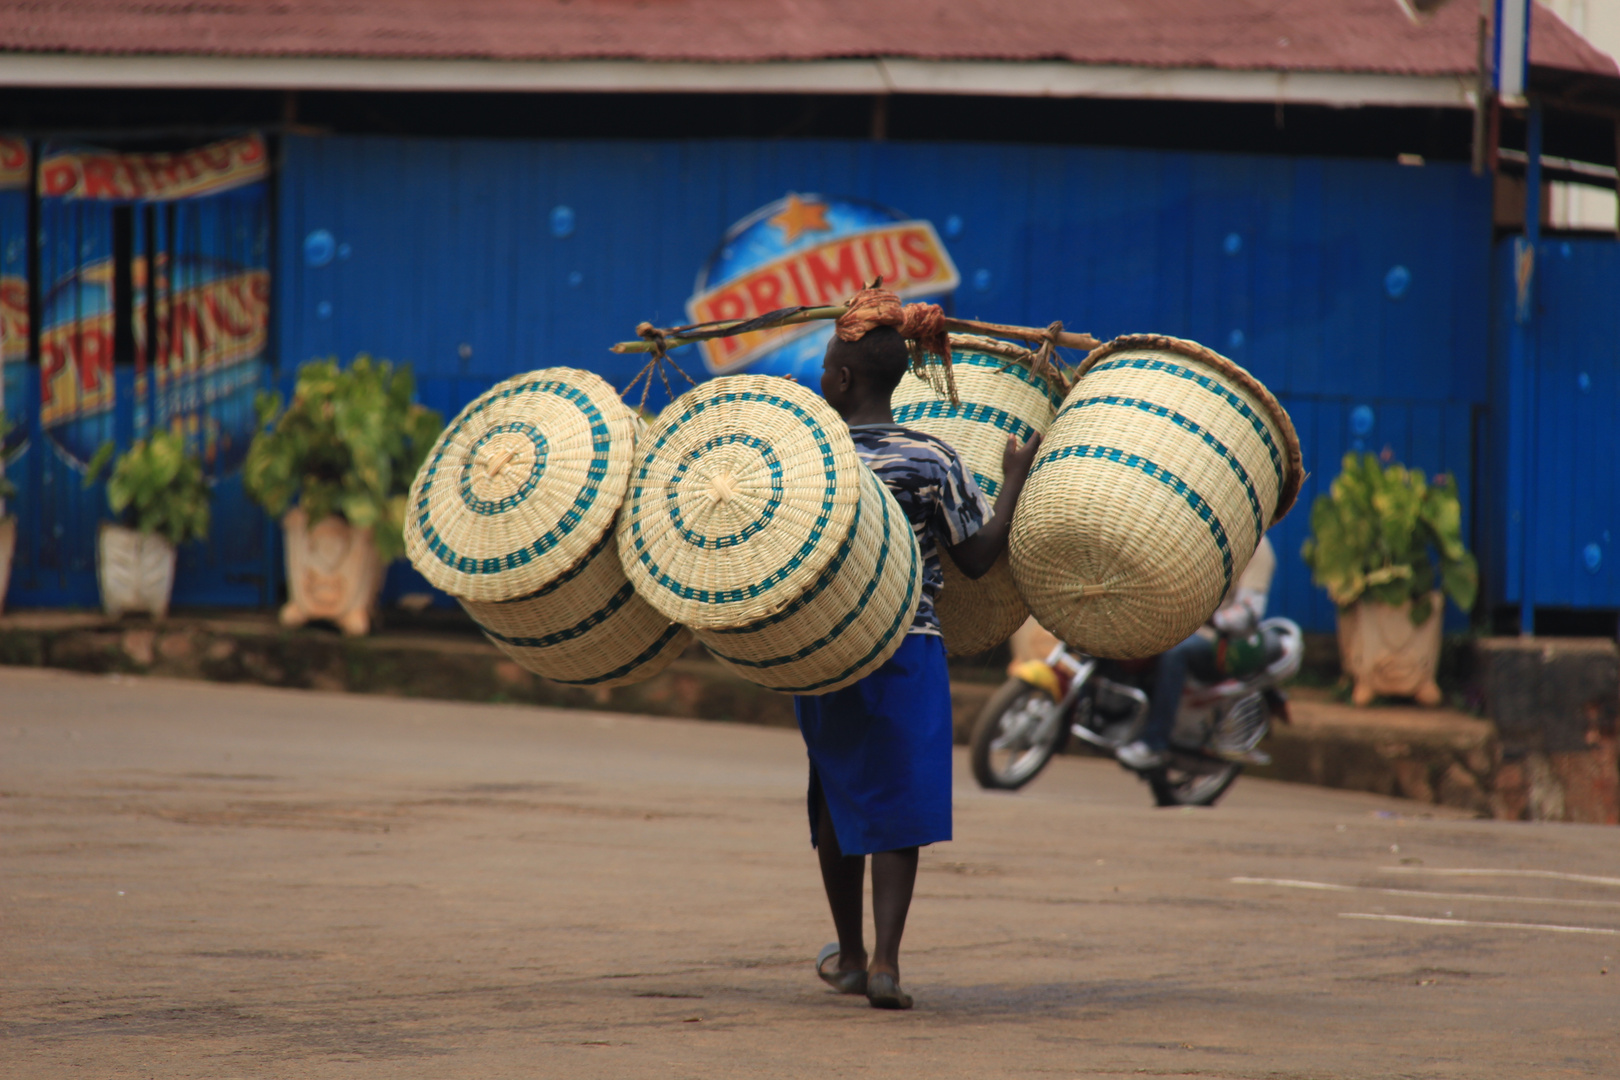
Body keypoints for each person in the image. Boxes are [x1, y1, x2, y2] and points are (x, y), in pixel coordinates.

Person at [797, 287, 1042, 1009]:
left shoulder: (816, 463)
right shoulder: (931, 458)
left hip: (827, 654)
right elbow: (975, 559)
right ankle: (886, 966)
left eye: (824, 367)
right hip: (909, 648)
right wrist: (1014, 483)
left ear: (842, 381)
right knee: (898, 800)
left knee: (840, 798)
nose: (820, 377)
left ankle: (847, 956)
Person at [1116, 534, 1278, 771]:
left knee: (1175, 653)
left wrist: (1209, 617)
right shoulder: (1206, 534)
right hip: (1182, 625)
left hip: (1219, 640)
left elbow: (1249, 612)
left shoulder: (1258, 550)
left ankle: (1154, 743)